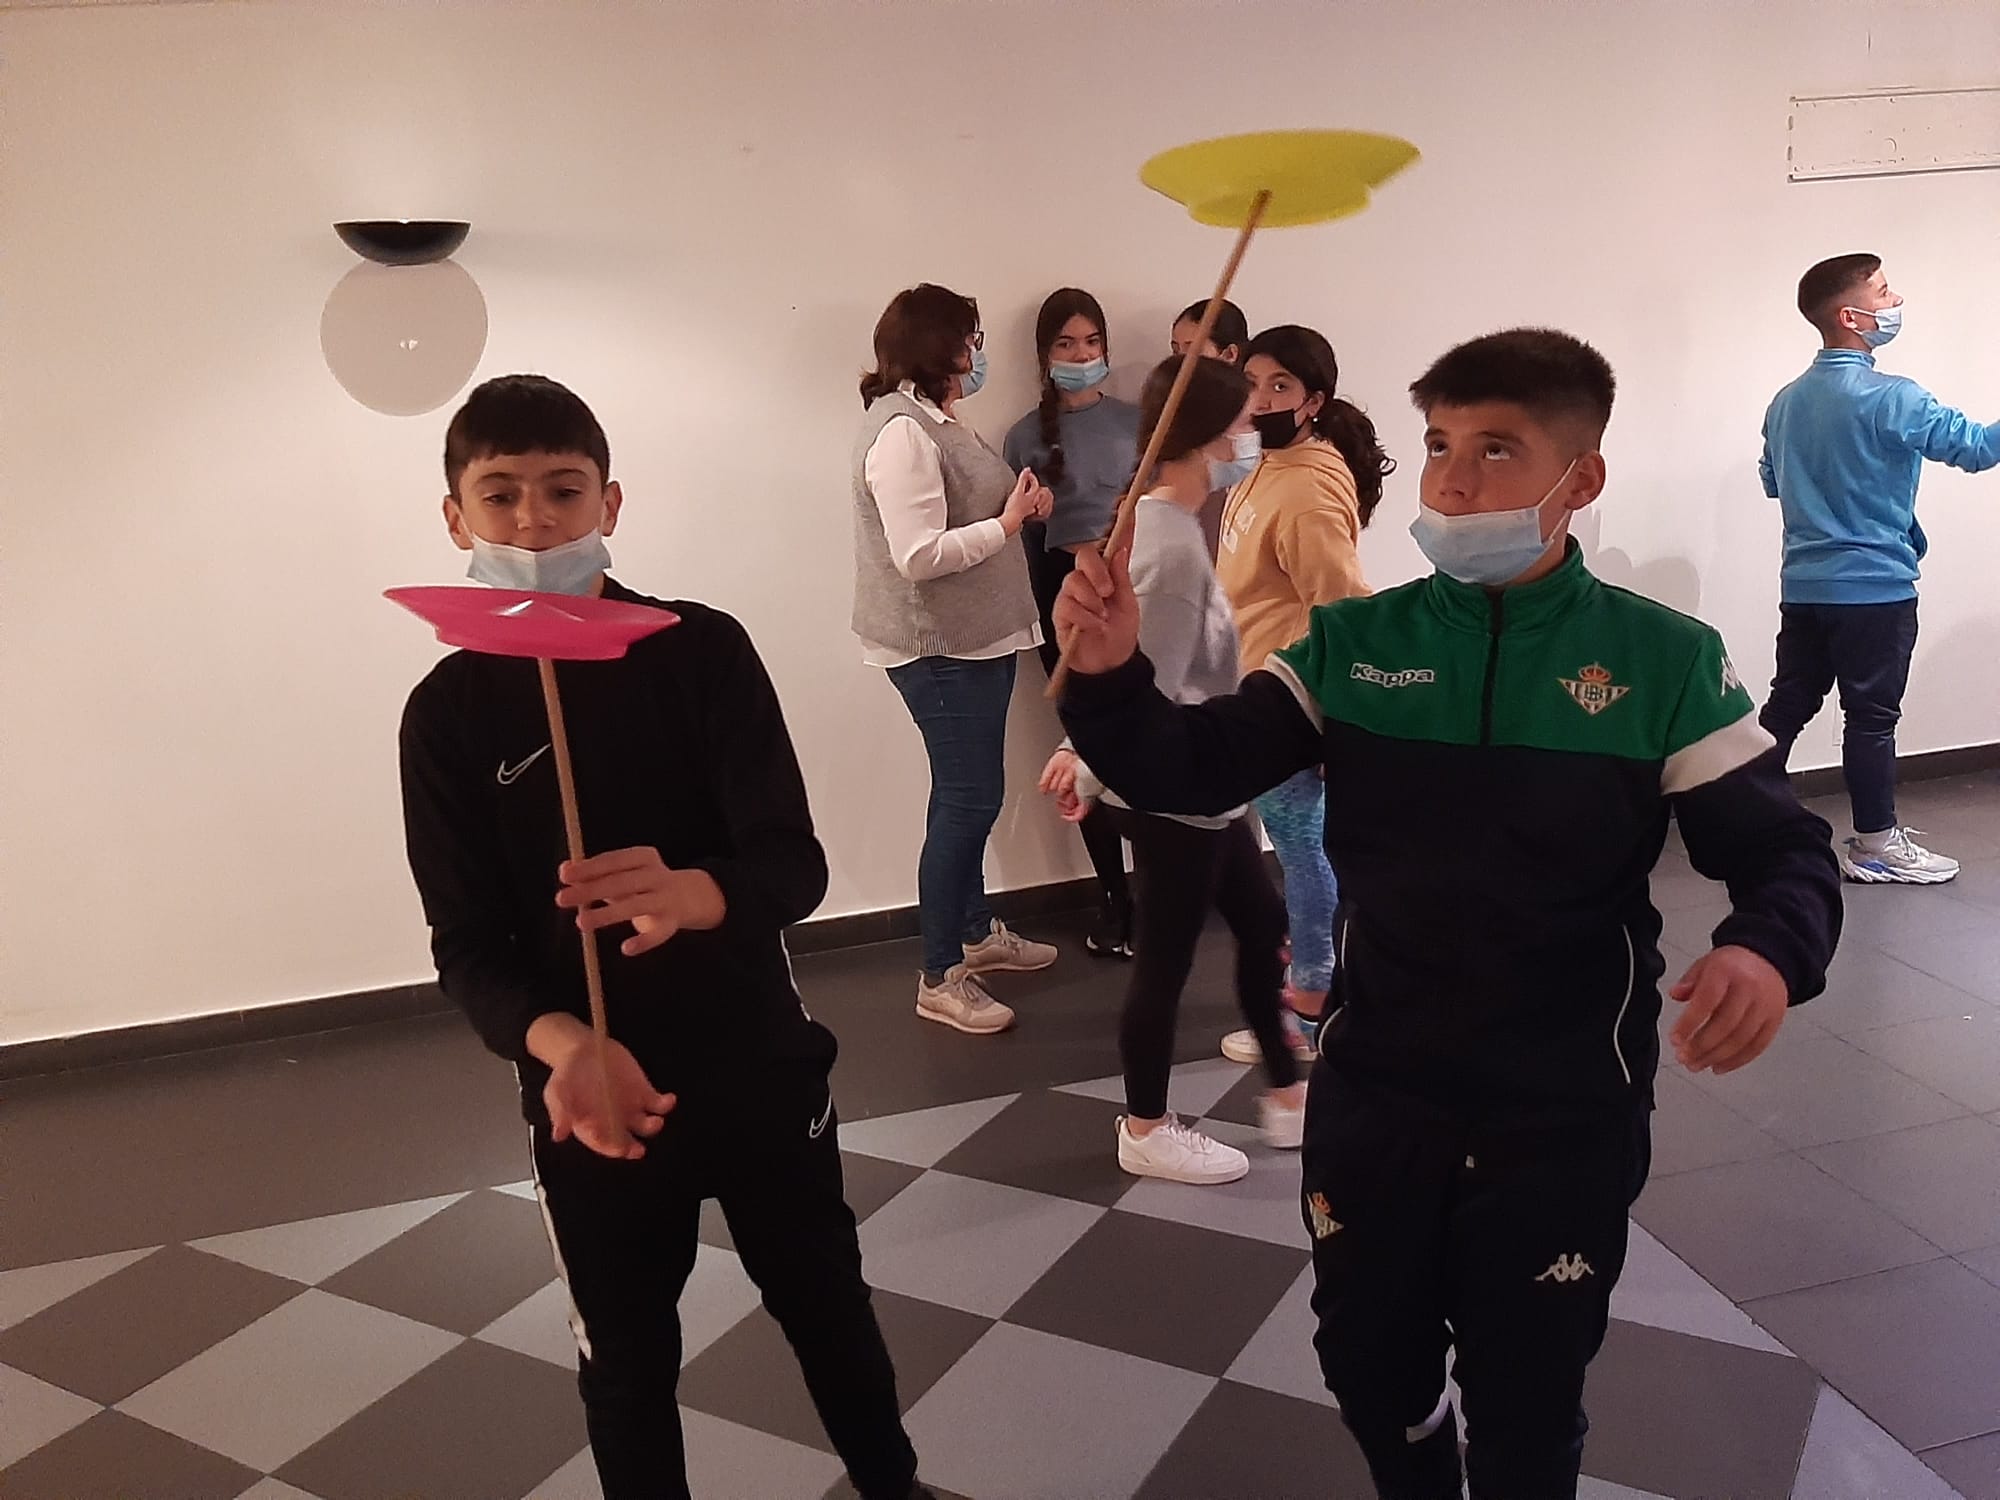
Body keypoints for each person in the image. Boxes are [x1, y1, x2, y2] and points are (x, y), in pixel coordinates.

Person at [1051, 329, 1841, 1499]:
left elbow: (1783, 851)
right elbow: (1191, 766)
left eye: (1495, 450)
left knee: (1526, 1396)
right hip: (1378, 1088)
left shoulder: (1660, 660)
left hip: (1560, 1105)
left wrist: (1765, 952)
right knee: (1367, 1369)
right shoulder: (1353, 645)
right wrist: (1111, 675)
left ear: (1579, 479)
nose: (1452, 483)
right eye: (1435, 446)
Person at [398, 376, 936, 1500]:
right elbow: (466, 947)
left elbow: (791, 866)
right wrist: (565, 1046)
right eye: (500, 495)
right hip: (593, 1096)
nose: (533, 521)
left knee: (827, 1309)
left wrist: (696, 893)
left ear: (610, 502)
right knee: (626, 1363)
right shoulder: (446, 712)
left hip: (756, 1064)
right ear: (455, 517)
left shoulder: (701, 651)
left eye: (564, 491)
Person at [1040, 355, 1306, 1185]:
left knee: (1260, 924)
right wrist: (1082, 760)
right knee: (1165, 960)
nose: (1254, 435)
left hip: (1209, 790)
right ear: (1211, 437)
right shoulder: (1169, 546)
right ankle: (1147, 1126)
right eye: (1246, 421)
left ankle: (1288, 1093)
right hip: (1178, 797)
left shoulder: (1168, 527)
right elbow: (1137, 689)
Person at [852, 283, 1060, 1037]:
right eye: (970, 339)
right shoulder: (902, 433)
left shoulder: (937, 420)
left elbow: (965, 511)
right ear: (940, 347)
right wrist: (1009, 524)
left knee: (967, 794)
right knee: (969, 800)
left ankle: (973, 933)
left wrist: (1017, 507)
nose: (978, 353)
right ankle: (940, 975)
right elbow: (918, 556)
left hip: (977, 637)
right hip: (939, 647)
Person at [1759, 253, 1999, 885]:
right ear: (1851, 316)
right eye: (1885, 293)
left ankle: (1738, 816)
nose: (1896, 302)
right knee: (1871, 719)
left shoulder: (1785, 402)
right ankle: (1874, 844)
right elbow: (1977, 448)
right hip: (1873, 588)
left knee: (1788, 704)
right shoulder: (1895, 397)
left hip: (1804, 585)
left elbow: (1772, 480)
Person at [1214, 324, 1396, 1068]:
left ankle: (1317, 1000)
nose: (1260, 398)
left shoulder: (1308, 488)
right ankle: (1309, 981)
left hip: (1292, 703)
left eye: (1280, 386)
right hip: (1258, 693)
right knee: (1292, 849)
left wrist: (1336, 721)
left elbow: (1344, 611)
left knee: (1301, 848)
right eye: (1253, 382)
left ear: (1313, 400)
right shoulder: (1264, 462)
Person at [1003, 288, 1141, 958]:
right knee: (1084, 749)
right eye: (1066, 344)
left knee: (1144, 738)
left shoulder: (1139, 420)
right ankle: (1114, 900)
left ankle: (1160, 891)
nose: (1082, 356)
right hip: (1062, 595)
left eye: (1091, 342)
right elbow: (1020, 539)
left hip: (1132, 588)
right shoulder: (1023, 435)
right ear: (1045, 354)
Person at [1171, 298, 1253, 557]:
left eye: (1192, 349)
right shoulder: (1175, 414)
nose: (1179, 362)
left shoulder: (1249, 419)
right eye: (1176, 350)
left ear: (1229, 354)